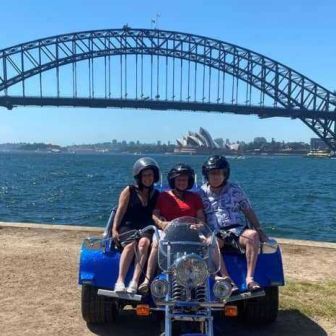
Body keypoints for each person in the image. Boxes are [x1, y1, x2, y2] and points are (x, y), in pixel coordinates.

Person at [199, 155, 268, 292]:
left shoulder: (235, 189)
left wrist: (260, 231)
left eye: (219, 173)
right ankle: (228, 280)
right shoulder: (200, 192)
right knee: (211, 242)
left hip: (237, 230)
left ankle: (250, 278)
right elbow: (198, 214)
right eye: (212, 173)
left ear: (225, 174)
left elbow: (248, 210)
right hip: (216, 232)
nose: (216, 176)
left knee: (252, 236)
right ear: (207, 175)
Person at [138, 163, 205, 293]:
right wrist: (162, 224)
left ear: (189, 181)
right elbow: (155, 214)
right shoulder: (164, 196)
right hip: (168, 230)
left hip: (189, 231)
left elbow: (202, 219)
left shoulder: (195, 197)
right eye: (179, 179)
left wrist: (198, 226)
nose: (182, 182)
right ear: (173, 181)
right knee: (157, 242)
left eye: (184, 179)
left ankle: (210, 277)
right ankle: (147, 279)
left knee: (208, 243)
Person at [112, 157, 160, 293]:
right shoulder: (129, 190)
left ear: (154, 176)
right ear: (139, 176)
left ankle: (134, 281)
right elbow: (120, 210)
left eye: (150, 175)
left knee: (144, 243)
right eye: (144, 175)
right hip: (128, 225)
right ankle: (120, 280)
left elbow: (157, 213)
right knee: (130, 244)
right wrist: (114, 228)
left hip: (146, 227)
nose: (148, 178)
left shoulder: (156, 194)